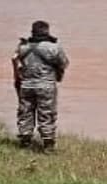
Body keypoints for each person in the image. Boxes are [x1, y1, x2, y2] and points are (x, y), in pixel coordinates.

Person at [12, 20, 70, 152]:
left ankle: (25, 142)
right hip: (46, 86)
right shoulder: (54, 47)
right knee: (47, 114)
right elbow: (64, 63)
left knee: (25, 113)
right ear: (47, 31)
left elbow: (15, 60)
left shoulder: (22, 46)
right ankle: (48, 146)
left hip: (26, 85)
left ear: (33, 32)